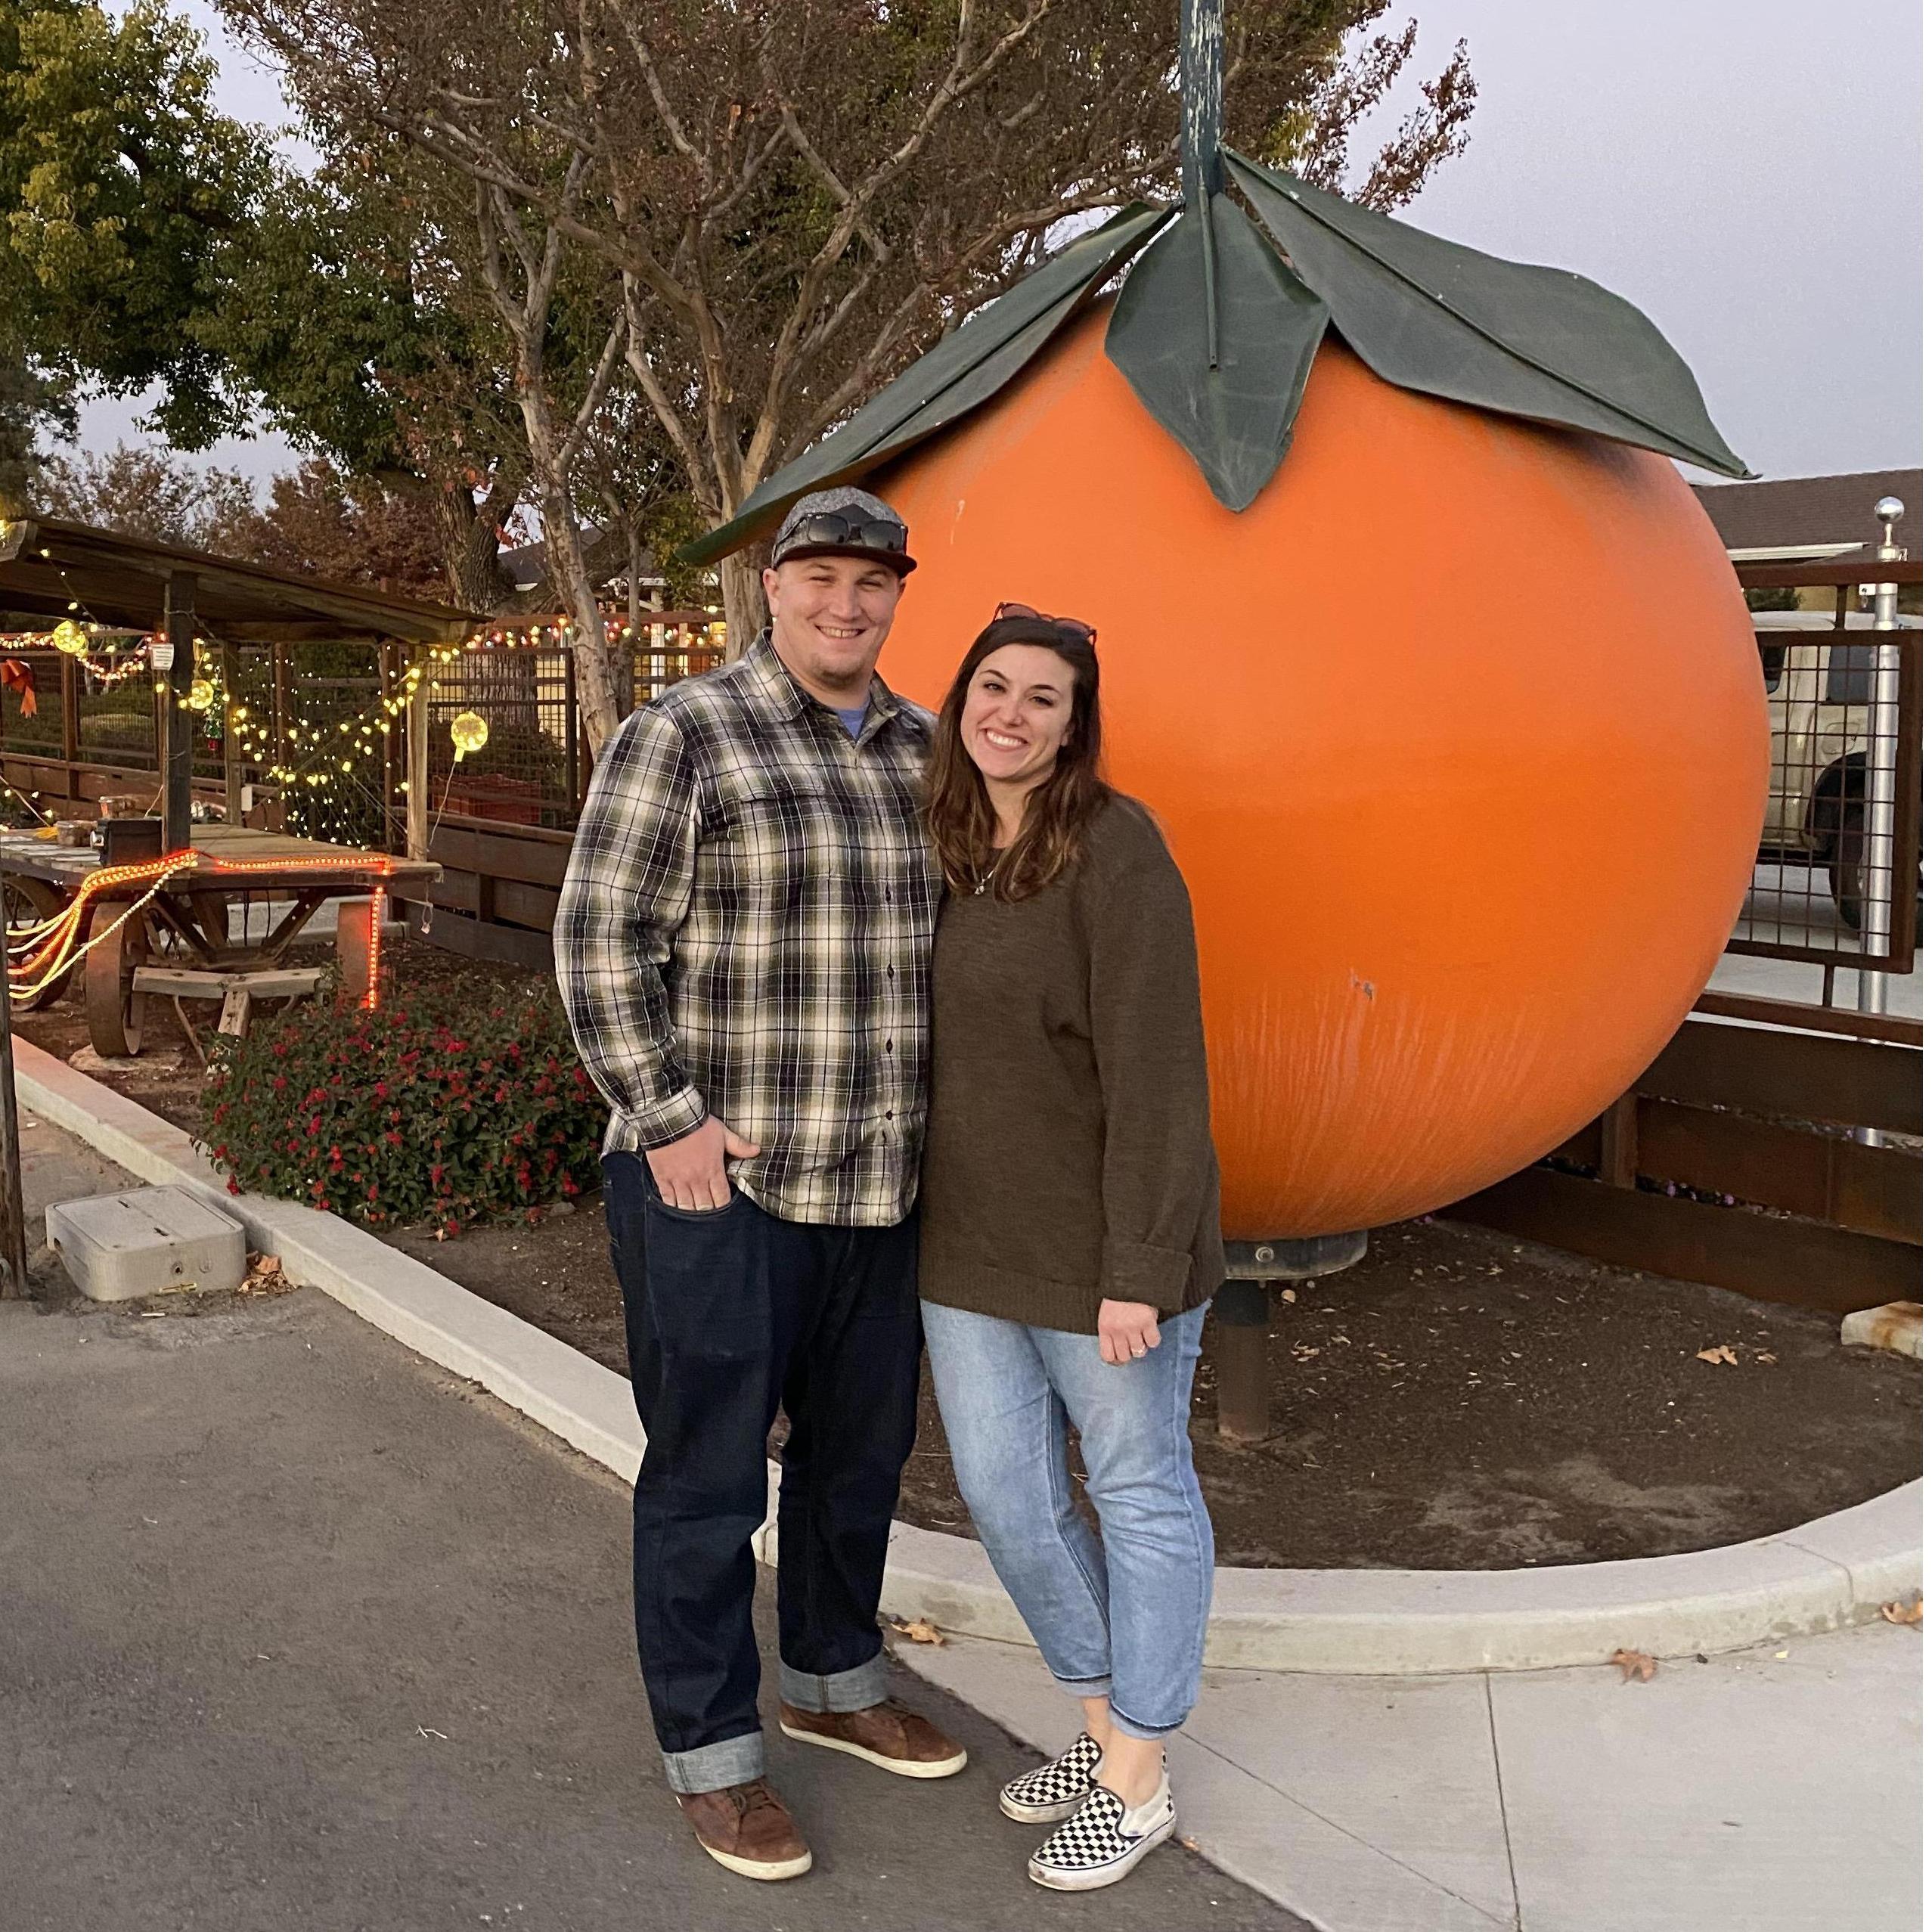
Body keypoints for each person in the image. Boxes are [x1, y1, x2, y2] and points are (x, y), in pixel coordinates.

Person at [554, 486, 966, 1885]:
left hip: (880, 1182)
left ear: (900, 594)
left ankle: (836, 1685)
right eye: (821, 579)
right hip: (716, 1185)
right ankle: (715, 1755)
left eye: (874, 582)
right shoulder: (685, 734)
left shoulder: (928, 752)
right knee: (710, 1477)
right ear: (773, 589)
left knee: (859, 1461)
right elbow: (599, 940)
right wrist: (665, 1118)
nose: (847, 604)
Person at [916, 604, 1223, 1893]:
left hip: (1106, 1252)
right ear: (962, 698)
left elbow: (1160, 1072)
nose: (1015, 714)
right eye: (996, 686)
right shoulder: (941, 842)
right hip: (970, 1241)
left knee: (1139, 1489)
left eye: (1046, 698)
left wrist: (1139, 1270)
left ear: (1076, 725)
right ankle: (1099, 1727)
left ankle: (1139, 1772)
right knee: (1006, 1495)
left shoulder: (1116, 848)